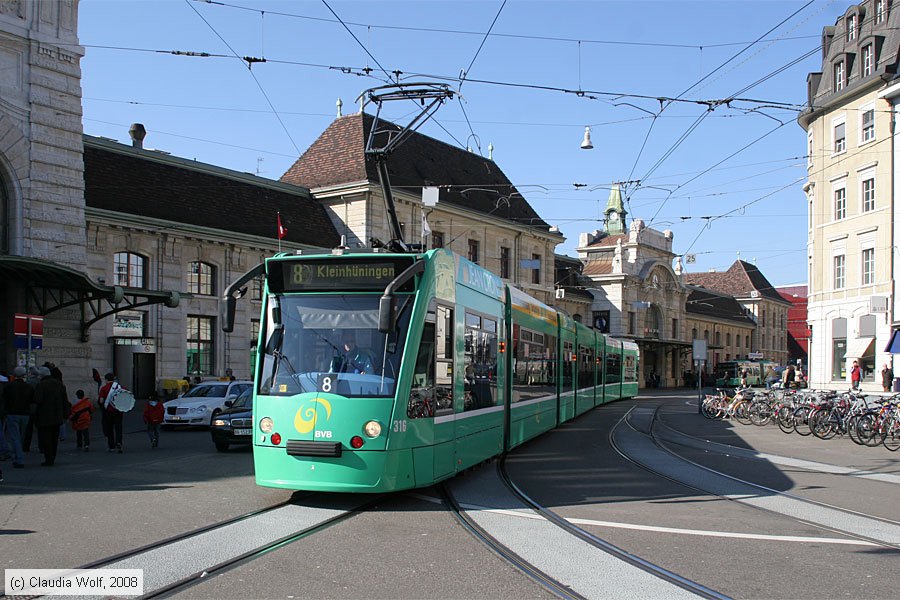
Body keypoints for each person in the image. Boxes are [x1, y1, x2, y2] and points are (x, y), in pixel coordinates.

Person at [32, 366, 69, 466]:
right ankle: (52, 456)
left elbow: (38, 400)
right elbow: (65, 400)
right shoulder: (59, 384)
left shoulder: (41, 385)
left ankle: (48, 458)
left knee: (46, 438)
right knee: (54, 438)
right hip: (57, 416)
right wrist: (66, 414)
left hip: (44, 416)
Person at [2, 367, 32, 469]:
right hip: (25, 414)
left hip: (12, 413)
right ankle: (18, 456)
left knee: (15, 437)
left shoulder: (9, 386)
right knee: (21, 437)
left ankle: (19, 459)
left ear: (14, 375)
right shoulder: (28, 387)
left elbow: (4, 400)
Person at [98, 372, 124, 453]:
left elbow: (101, 401)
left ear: (106, 380)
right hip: (118, 411)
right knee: (118, 428)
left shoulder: (104, 388)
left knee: (109, 429)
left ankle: (111, 446)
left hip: (108, 412)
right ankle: (119, 442)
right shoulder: (120, 387)